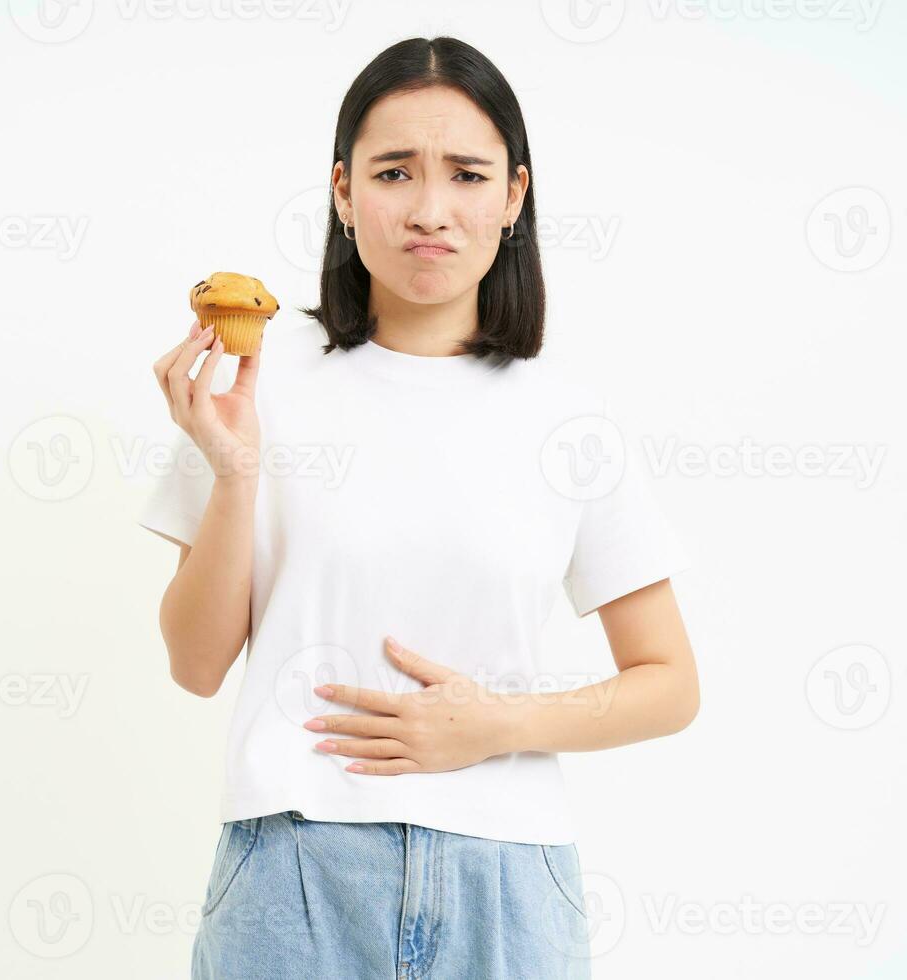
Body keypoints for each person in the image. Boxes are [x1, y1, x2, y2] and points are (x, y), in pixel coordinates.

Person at [139, 35, 700, 980]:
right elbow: (196, 666)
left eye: (468, 175)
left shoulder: (566, 419)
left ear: (513, 197)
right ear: (344, 193)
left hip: (508, 887)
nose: (430, 210)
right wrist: (235, 472)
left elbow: (669, 682)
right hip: (293, 874)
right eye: (394, 173)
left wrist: (498, 725)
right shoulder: (258, 387)